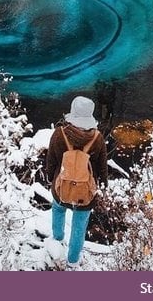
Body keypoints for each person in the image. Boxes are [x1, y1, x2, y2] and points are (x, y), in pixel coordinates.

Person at [45, 95, 108, 269]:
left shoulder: (60, 134)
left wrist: (51, 178)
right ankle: (73, 261)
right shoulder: (97, 138)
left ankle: (57, 240)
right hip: (85, 191)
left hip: (61, 186)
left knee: (58, 209)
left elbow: (51, 160)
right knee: (79, 224)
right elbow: (102, 166)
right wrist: (103, 184)